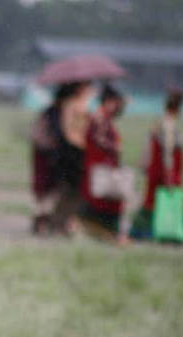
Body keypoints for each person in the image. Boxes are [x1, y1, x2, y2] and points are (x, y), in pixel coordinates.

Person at [129, 89, 183, 242]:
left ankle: (141, 232)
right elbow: (168, 151)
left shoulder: (157, 124)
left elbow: (147, 148)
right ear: (178, 108)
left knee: (150, 201)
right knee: (177, 202)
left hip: (155, 171)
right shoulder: (169, 125)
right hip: (166, 172)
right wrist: (170, 174)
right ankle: (178, 233)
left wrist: (145, 165)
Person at [30, 81, 94, 235]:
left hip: (59, 154)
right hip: (64, 155)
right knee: (61, 191)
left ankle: (54, 222)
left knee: (59, 192)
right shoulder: (66, 108)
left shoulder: (58, 109)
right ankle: (54, 222)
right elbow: (69, 134)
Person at [80, 84, 128, 243]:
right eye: (115, 102)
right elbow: (99, 139)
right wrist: (114, 147)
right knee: (105, 200)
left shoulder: (103, 116)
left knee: (104, 200)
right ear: (108, 101)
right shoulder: (100, 117)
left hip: (101, 164)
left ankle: (102, 232)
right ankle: (106, 233)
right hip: (100, 165)